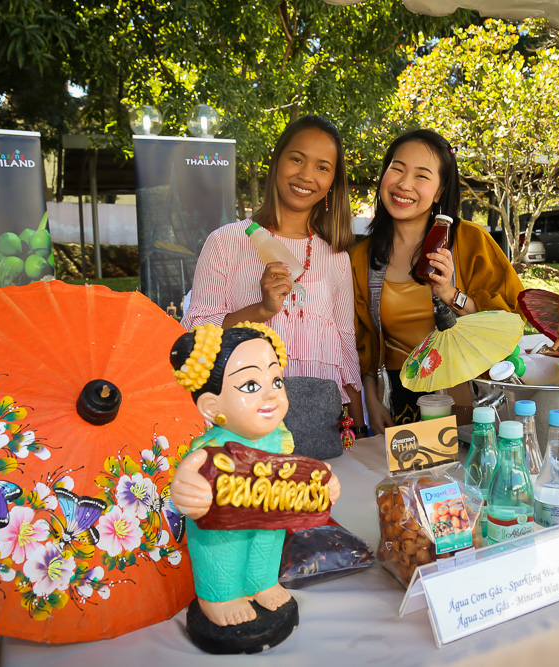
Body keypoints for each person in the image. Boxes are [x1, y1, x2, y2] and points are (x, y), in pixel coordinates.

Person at [181, 114, 363, 429]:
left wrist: (359, 427)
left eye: (322, 167)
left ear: (333, 182)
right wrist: (261, 310)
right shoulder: (226, 242)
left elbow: (345, 346)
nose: (306, 175)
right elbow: (196, 334)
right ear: (277, 161)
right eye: (297, 159)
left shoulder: (336, 256)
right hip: (242, 422)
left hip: (319, 424)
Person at [169, 322, 341, 631]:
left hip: (268, 516)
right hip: (221, 527)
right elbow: (187, 479)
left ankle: (262, 584)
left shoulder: (278, 437)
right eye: (250, 386)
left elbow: (296, 471)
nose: (272, 394)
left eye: (276, 380)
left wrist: (322, 482)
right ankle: (219, 597)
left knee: (268, 546)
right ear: (212, 406)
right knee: (223, 554)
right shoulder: (214, 449)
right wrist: (188, 489)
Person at [351, 129, 525, 434]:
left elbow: (512, 318)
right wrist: (372, 399)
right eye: (397, 169)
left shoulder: (471, 241)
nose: (404, 184)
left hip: (467, 395)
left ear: (439, 191)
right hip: (399, 399)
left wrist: (452, 294)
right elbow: (361, 338)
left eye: (421, 175)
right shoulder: (361, 257)